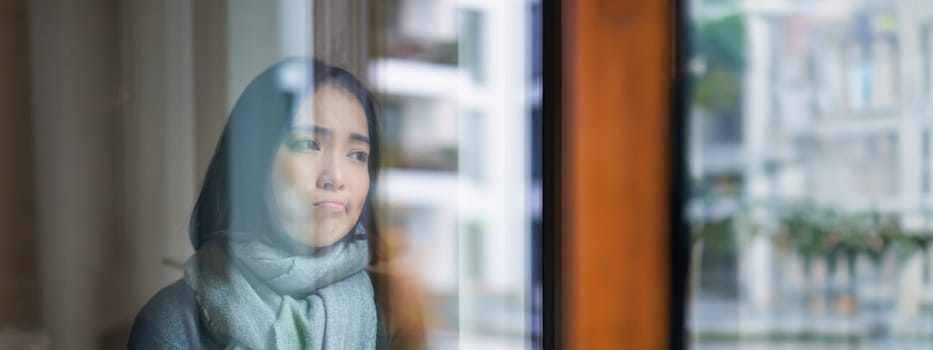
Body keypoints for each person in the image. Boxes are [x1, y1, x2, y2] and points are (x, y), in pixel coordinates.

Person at [128, 58, 424, 349]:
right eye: (309, 144)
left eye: (357, 154)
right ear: (253, 160)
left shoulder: (392, 310)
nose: (334, 177)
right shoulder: (173, 324)